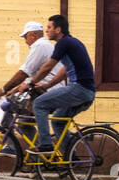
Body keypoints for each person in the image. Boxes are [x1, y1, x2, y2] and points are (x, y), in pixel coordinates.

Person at [28, 15, 96, 153]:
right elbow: (64, 71)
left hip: (79, 89)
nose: (46, 31)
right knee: (58, 121)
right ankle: (71, 160)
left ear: (58, 30)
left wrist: (30, 83)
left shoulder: (64, 43)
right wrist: (45, 86)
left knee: (39, 104)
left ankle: (46, 144)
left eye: (49, 27)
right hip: (87, 92)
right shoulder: (71, 43)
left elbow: (47, 67)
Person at [0, 21, 66, 100]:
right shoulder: (47, 45)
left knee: (18, 106)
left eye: (25, 37)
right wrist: (14, 91)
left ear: (33, 35)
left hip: (48, 89)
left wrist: (3, 90)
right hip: (54, 88)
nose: (26, 41)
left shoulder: (39, 46)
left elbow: (23, 74)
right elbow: (31, 77)